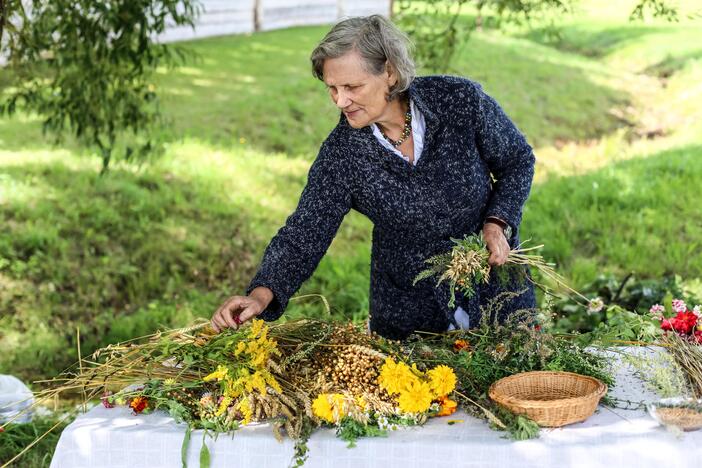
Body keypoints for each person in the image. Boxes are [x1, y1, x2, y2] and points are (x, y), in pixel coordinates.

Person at [211, 15, 536, 339]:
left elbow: (518, 161)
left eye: (352, 86)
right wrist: (260, 294)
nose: (341, 101)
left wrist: (497, 223)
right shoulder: (343, 154)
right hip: (414, 323)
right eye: (332, 89)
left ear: (390, 73)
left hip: (499, 297)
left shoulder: (458, 100)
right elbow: (303, 234)